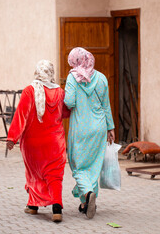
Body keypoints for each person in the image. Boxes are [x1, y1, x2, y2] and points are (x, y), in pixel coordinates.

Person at [7, 60, 70, 222]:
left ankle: (33, 207)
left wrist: (12, 137)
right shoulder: (60, 92)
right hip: (55, 142)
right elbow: (65, 113)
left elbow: (21, 115)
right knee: (54, 175)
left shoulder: (29, 91)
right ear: (51, 73)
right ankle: (56, 208)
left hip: (32, 143)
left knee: (34, 174)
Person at [64, 47, 115, 219]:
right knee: (93, 166)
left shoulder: (73, 78)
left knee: (78, 166)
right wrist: (111, 127)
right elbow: (106, 105)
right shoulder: (101, 78)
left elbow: (69, 102)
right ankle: (86, 202)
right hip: (99, 127)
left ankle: (87, 192)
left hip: (80, 129)